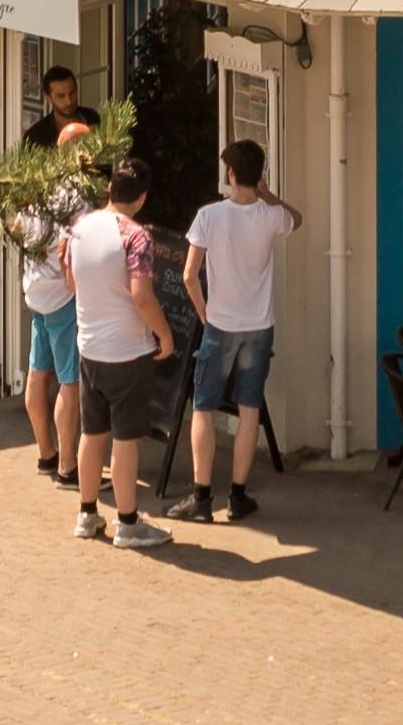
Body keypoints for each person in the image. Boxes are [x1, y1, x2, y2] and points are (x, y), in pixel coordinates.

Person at [179, 140, 298, 524]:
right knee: (250, 408)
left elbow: (189, 275)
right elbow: (298, 218)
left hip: (221, 323)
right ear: (259, 175)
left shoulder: (209, 216)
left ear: (231, 173)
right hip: (259, 325)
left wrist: (204, 312)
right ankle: (238, 495)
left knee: (204, 406)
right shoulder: (270, 216)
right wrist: (269, 195)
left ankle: (201, 497)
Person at [62, 165, 180, 549]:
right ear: (142, 197)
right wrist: (164, 334)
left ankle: (87, 513)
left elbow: (70, 280)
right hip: (127, 351)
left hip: (89, 346)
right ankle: (128, 523)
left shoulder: (79, 227)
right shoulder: (136, 236)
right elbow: (141, 296)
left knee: (92, 432)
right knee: (127, 439)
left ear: (110, 188)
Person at [4, 175, 84, 485]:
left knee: (37, 373)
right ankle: (67, 465)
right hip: (62, 298)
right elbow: (71, 249)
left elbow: (16, 230)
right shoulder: (76, 198)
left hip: (36, 294)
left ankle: (45, 453)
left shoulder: (36, 191)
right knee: (70, 380)